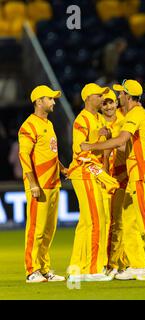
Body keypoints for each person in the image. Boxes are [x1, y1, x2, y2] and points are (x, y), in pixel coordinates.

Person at [81, 79, 145, 281]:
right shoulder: (143, 117)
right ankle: (137, 265)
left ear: (128, 96)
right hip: (136, 176)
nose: (119, 97)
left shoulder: (135, 114)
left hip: (142, 175)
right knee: (130, 221)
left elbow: (122, 141)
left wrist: (92, 146)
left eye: (121, 94)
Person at [67, 83, 119, 282]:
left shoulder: (97, 118)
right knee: (97, 220)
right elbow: (80, 149)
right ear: (89, 98)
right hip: (85, 171)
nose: (102, 99)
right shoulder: (82, 119)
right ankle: (93, 269)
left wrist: (104, 137)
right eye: (100, 96)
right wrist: (101, 141)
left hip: (92, 172)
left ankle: (76, 267)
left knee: (87, 223)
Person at [18, 85, 67, 283]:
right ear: (39, 101)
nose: (54, 102)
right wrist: (32, 183)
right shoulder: (29, 126)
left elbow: (51, 154)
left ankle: (44, 269)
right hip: (39, 185)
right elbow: (24, 156)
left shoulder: (48, 124)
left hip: (53, 183)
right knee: (36, 230)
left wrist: (63, 169)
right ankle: (32, 270)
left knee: (48, 231)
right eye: (50, 99)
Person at [99, 89, 129, 277]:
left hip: (121, 176)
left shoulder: (124, 122)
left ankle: (117, 264)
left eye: (111, 102)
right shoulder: (96, 123)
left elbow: (124, 146)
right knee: (106, 222)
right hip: (103, 177)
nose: (109, 106)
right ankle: (109, 263)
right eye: (105, 103)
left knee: (119, 221)